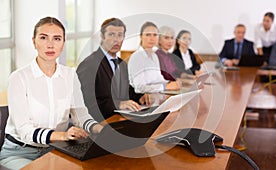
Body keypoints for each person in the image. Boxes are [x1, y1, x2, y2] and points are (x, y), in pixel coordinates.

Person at [0, 17, 103, 170]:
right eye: (43, 37)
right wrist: (62, 135)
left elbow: (80, 115)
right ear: (34, 42)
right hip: (19, 152)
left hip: (56, 150)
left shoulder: (70, 75)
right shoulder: (19, 78)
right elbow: (24, 130)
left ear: (63, 44)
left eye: (57, 38)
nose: (50, 44)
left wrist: (99, 129)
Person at [77, 18, 149, 121]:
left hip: (120, 119)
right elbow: (86, 102)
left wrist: (140, 97)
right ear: (102, 36)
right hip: (99, 123)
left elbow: (125, 90)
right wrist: (118, 104)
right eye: (111, 35)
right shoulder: (89, 65)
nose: (116, 40)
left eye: (120, 35)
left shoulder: (121, 64)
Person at [128, 21, 180, 93]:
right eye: (148, 35)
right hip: (140, 98)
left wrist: (171, 83)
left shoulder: (154, 56)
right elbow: (139, 88)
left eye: (155, 35)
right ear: (141, 36)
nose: (152, 38)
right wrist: (165, 86)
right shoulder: (137, 57)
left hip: (155, 94)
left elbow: (158, 79)